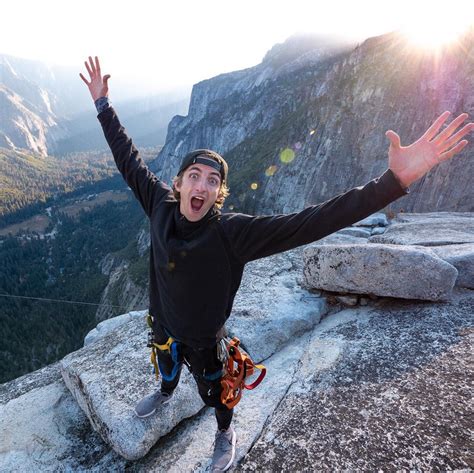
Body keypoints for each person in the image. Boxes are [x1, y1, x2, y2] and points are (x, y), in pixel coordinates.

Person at [80, 55, 473, 471]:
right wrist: (103, 106)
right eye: (194, 175)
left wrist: (391, 184)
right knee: (164, 361)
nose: (202, 185)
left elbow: (309, 223)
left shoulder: (232, 234)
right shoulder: (158, 204)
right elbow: (128, 159)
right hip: (163, 322)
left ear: (219, 194)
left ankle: (224, 432)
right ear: (177, 184)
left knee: (218, 392)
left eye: (212, 181)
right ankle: (164, 392)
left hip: (204, 339)